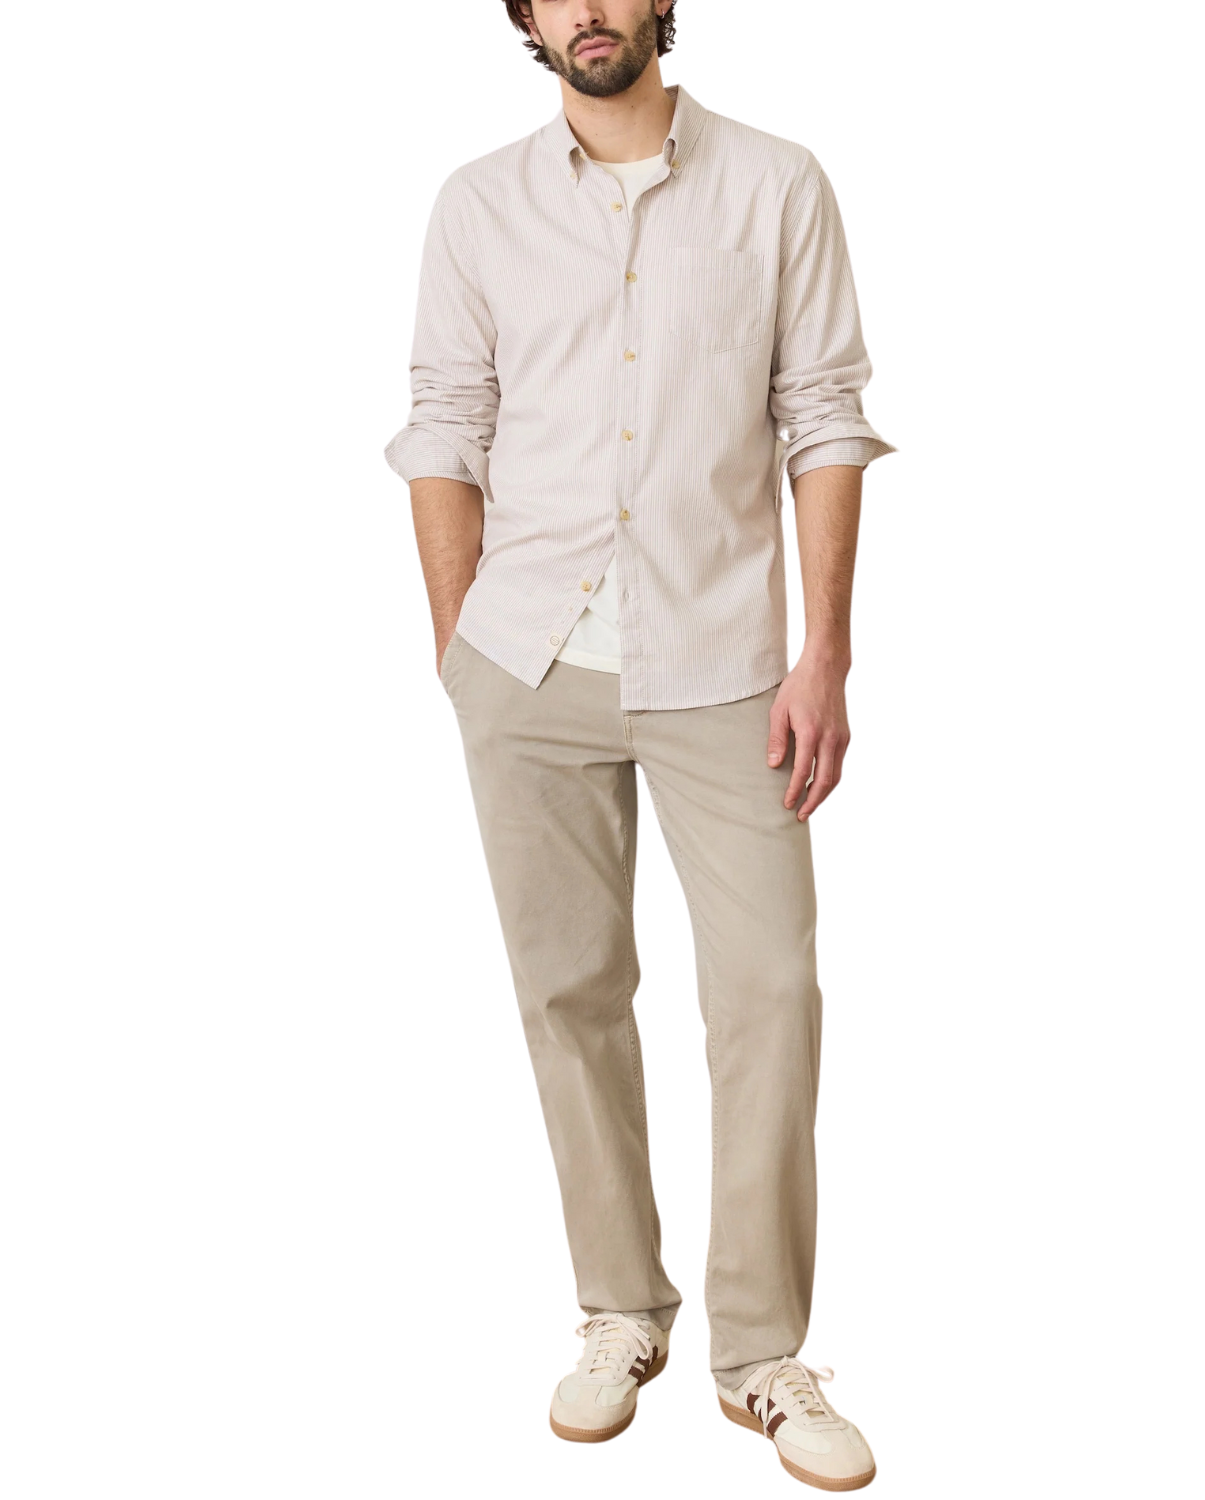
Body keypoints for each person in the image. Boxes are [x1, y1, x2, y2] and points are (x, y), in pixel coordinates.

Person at [384, 2, 893, 1489]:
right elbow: (445, 423)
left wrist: (825, 651)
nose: (588, 8)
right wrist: (460, 648)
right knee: (569, 992)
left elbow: (823, 418)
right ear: (527, 18)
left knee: (771, 991)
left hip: (725, 662)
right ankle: (620, 1308)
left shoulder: (778, 184)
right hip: (525, 656)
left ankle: (762, 1353)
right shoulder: (476, 205)